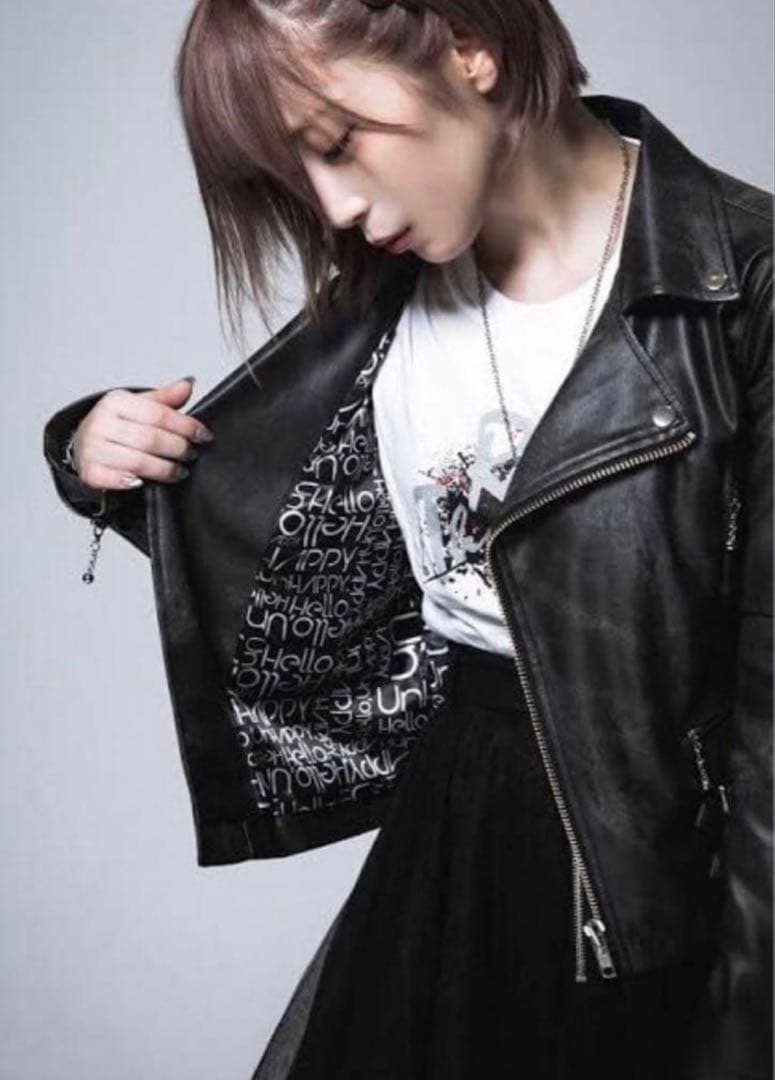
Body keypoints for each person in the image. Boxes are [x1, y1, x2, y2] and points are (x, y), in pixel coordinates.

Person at [42, 1, 772, 1078]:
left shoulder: (740, 285)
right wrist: (88, 448)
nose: (334, 203)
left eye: (337, 142)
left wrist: (749, 1020)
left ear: (466, 46)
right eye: (300, 172)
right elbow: (271, 536)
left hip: (653, 869)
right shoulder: (395, 293)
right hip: (456, 827)